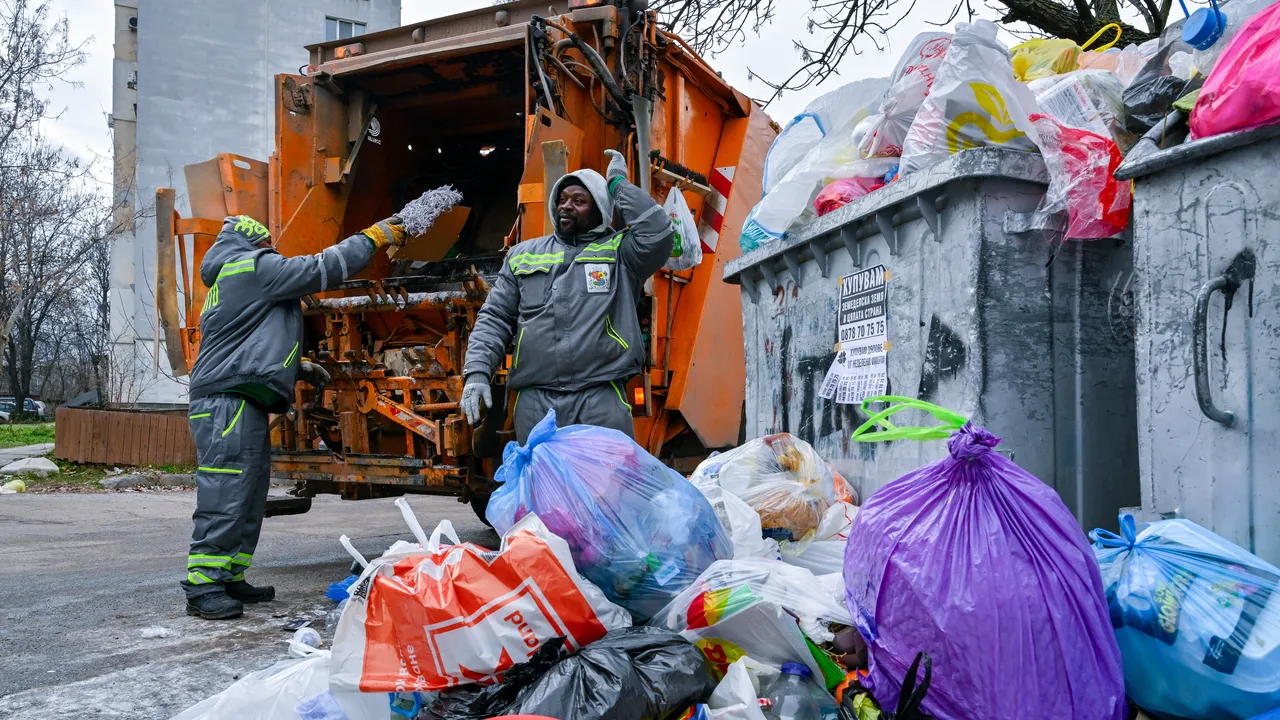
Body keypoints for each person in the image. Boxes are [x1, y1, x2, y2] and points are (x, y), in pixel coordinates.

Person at [182, 213, 406, 620]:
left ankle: (228, 574)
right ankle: (202, 586)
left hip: (234, 397)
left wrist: (291, 367)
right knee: (227, 487)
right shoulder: (252, 266)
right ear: (257, 242)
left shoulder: (231, 276)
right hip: (228, 400)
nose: (275, 253)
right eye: (270, 245)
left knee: (247, 489)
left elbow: (244, 338)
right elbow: (321, 267)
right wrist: (371, 237)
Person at [461, 150, 675, 442]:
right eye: (561, 200)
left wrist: (617, 186)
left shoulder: (621, 252)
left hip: (600, 398)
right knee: (543, 486)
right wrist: (476, 372)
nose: (566, 207)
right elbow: (495, 318)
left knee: (602, 486)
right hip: (536, 403)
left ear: (600, 208)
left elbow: (658, 234)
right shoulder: (523, 254)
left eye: (579, 201)